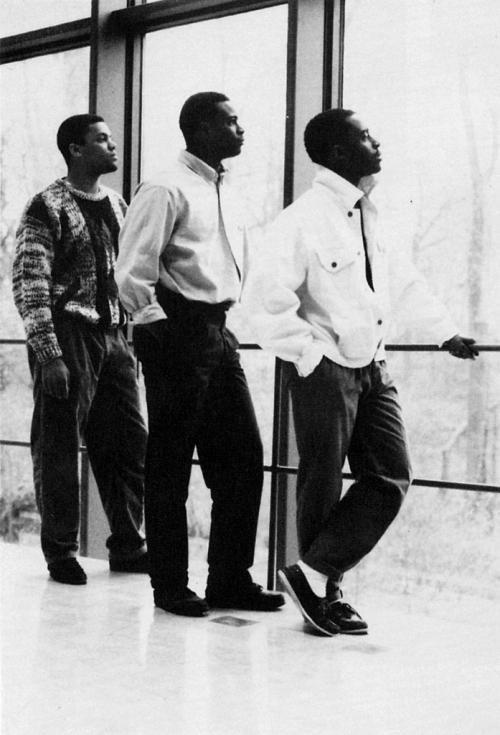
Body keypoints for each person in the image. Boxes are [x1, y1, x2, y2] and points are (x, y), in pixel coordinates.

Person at [248, 108, 478, 636]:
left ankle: (311, 574)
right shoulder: (301, 219)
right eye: (365, 135)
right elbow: (263, 306)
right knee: (322, 483)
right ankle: (325, 596)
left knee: (391, 473)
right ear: (337, 153)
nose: (377, 141)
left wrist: (444, 332)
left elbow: (402, 281)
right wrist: (311, 358)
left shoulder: (368, 214)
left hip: (372, 365)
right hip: (325, 368)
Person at [115, 91, 285, 617]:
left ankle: (229, 581)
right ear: (202, 129)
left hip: (217, 333)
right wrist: (159, 332)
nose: (242, 130)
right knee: (169, 467)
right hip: (175, 332)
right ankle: (169, 586)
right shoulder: (165, 187)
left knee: (241, 458)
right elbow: (131, 270)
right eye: (232, 121)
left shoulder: (224, 192)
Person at [12, 114, 148, 585]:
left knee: (129, 440)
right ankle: (61, 551)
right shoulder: (45, 205)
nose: (113, 147)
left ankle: (129, 546)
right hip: (68, 335)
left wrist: (133, 335)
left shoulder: (116, 202)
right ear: (75, 148)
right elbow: (30, 283)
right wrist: (48, 354)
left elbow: (131, 273)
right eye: (102, 139)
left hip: (114, 336)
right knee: (59, 444)